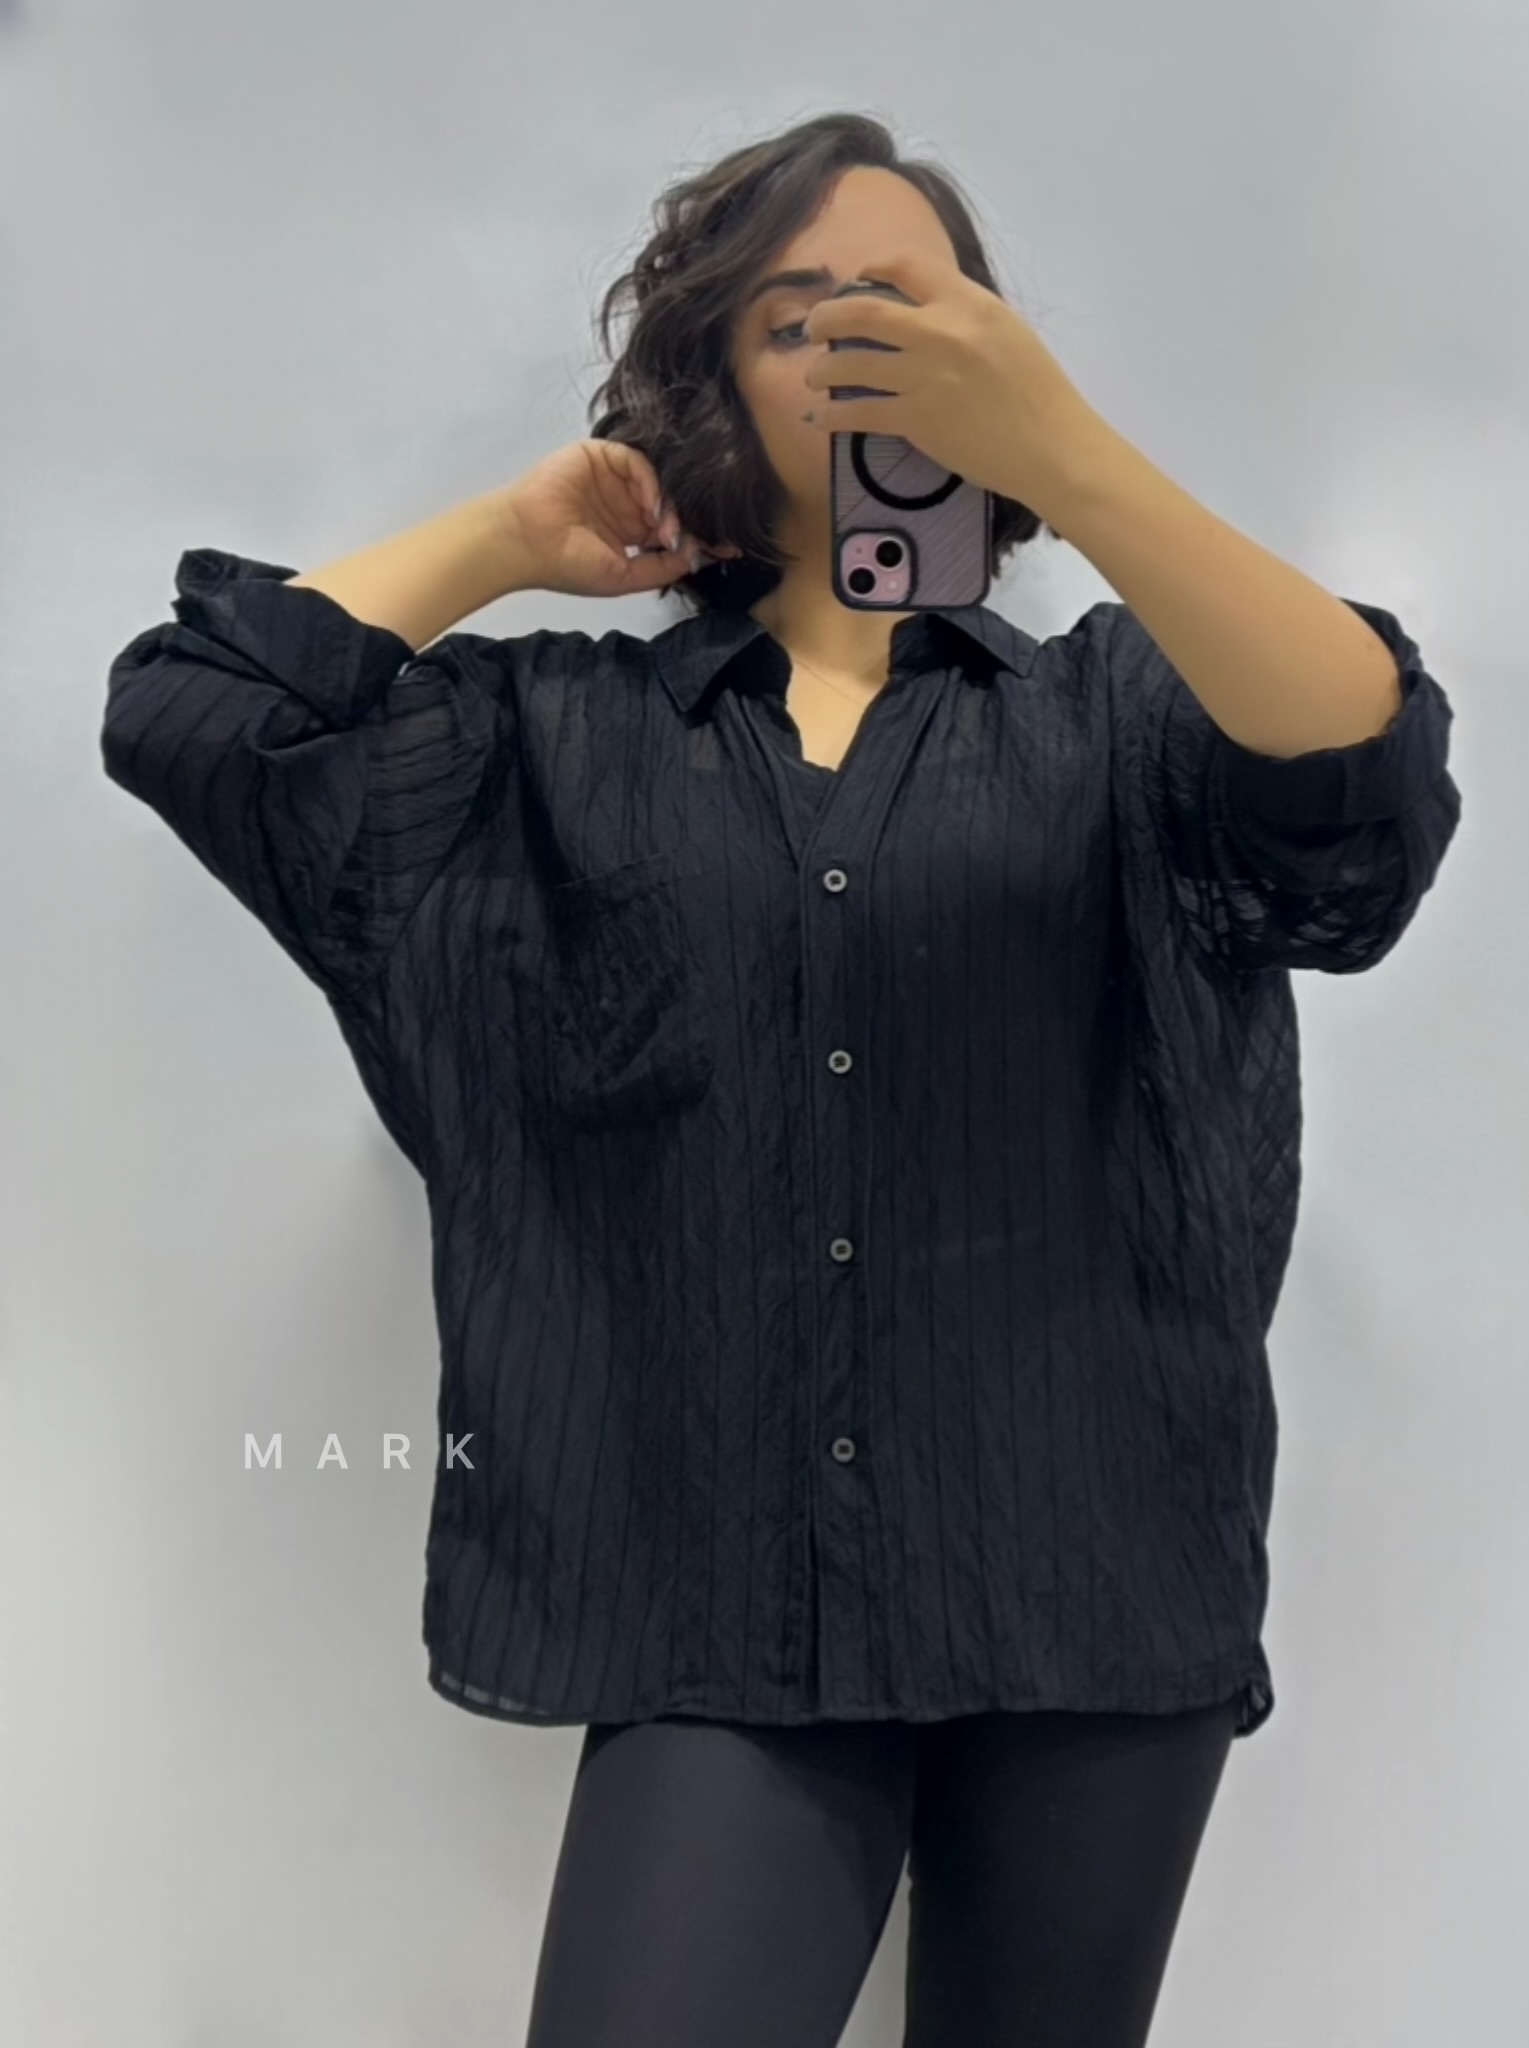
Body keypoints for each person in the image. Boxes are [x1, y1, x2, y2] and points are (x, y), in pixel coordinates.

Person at [101, 110, 1460, 2048]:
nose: (862, 347)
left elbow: (1365, 791)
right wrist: (507, 542)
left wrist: (1071, 458)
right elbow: (191, 713)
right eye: (801, 312)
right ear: (718, 370)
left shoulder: (1128, 713)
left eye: (914, 306)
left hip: (1093, 1585)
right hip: (716, 1607)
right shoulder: (555, 743)